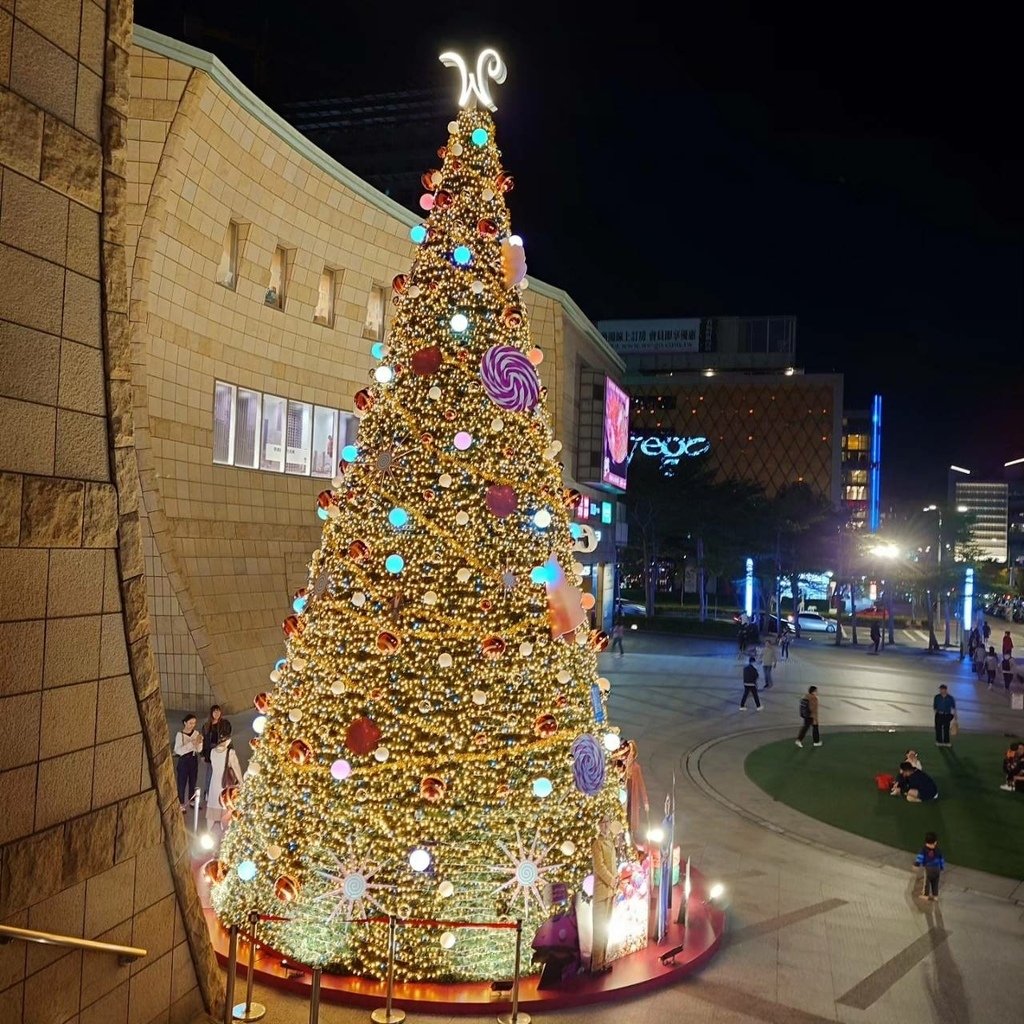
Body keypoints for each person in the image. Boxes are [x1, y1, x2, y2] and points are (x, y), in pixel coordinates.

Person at [589, 818, 618, 974]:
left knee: (606, 927)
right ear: (598, 825)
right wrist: (611, 880)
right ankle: (596, 965)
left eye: (607, 822)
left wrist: (616, 878)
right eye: (603, 823)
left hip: (610, 890)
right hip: (602, 890)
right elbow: (599, 866)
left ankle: (603, 961)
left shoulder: (610, 840)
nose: (606, 825)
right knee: (599, 929)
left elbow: (612, 863)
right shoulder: (597, 843)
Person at [206, 719, 243, 832]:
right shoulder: (230, 753)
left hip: (213, 784)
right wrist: (241, 782)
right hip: (225, 785)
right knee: (226, 808)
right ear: (228, 740)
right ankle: (225, 833)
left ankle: (209, 833)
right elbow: (236, 768)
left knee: (212, 810)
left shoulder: (212, 752)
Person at [173, 713, 203, 810]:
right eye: (190, 723)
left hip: (193, 759)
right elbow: (178, 750)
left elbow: (199, 750)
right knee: (182, 783)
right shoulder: (180, 735)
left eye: (194, 723)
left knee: (193, 781)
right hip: (184, 760)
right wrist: (192, 744)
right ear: (185, 723)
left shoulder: (196, 733)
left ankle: (192, 801)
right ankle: (181, 804)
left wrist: (200, 743)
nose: (192, 725)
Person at [201, 705, 225, 805]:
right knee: (209, 773)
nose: (217, 713)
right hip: (209, 751)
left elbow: (226, 738)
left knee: (219, 773)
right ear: (211, 713)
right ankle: (207, 793)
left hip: (219, 751)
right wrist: (202, 754)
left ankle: (217, 794)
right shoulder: (207, 725)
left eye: (218, 711)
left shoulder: (223, 725)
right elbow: (203, 741)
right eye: (215, 712)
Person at [913, 831, 945, 900]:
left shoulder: (924, 849)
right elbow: (941, 858)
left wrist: (916, 864)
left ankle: (925, 895)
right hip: (937, 868)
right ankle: (935, 896)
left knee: (927, 882)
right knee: (935, 882)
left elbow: (920, 857)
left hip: (928, 868)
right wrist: (942, 867)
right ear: (935, 842)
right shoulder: (938, 849)